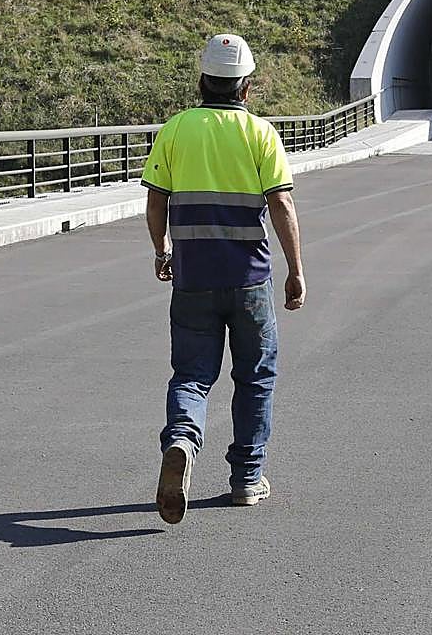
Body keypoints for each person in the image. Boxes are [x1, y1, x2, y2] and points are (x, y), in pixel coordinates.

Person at [140, 33, 306, 525]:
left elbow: (155, 200)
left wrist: (161, 250)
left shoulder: (175, 129)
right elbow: (281, 202)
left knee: (192, 375)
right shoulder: (259, 133)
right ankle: (247, 480)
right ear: (246, 87)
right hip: (249, 278)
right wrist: (296, 270)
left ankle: (181, 443)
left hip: (192, 277)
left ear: (202, 81)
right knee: (255, 377)